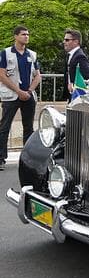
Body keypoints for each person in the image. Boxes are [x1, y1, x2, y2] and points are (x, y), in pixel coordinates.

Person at [0, 26, 41, 170]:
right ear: (15, 36)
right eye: (23, 34)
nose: (26, 37)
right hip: (11, 96)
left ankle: (27, 160)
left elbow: (38, 76)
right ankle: (1, 158)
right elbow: (2, 75)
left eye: (28, 34)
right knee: (4, 127)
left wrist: (29, 91)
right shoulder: (5, 53)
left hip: (28, 95)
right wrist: (18, 91)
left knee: (28, 127)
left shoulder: (32, 54)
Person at [62, 29, 89, 102]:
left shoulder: (80, 56)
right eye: (64, 40)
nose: (64, 42)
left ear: (76, 41)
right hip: (72, 95)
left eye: (67, 40)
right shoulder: (70, 55)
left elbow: (87, 78)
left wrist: (74, 86)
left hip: (79, 95)